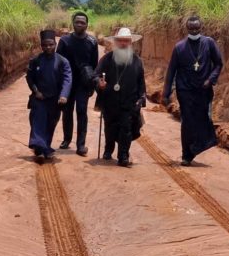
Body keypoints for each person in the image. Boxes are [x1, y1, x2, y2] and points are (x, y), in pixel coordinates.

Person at [162, 16, 223, 166]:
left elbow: (218, 64)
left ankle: (197, 146)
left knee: (203, 119)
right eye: (191, 28)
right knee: (187, 122)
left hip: (203, 90)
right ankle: (186, 155)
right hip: (185, 90)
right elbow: (171, 71)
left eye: (197, 28)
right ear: (187, 29)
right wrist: (166, 93)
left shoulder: (209, 43)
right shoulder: (179, 47)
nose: (194, 31)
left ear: (201, 28)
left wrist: (210, 80)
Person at [95, 28, 146, 167]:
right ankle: (108, 149)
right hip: (110, 101)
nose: (123, 43)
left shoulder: (137, 61)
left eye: (126, 41)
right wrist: (99, 83)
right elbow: (96, 75)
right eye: (120, 41)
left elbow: (141, 82)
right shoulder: (107, 59)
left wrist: (141, 98)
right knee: (110, 128)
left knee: (126, 129)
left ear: (130, 42)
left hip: (129, 102)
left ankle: (123, 156)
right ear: (116, 42)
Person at [56, 11, 99, 156]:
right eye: (77, 22)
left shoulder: (92, 42)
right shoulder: (64, 41)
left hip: (83, 83)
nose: (80, 24)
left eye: (83, 22)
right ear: (73, 24)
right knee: (67, 111)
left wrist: (92, 85)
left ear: (87, 25)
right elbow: (58, 63)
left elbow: (94, 65)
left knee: (81, 112)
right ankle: (67, 139)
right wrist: (60, 85)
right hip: (68, 82)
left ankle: (81, 145)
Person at [26, 30, 72, 162]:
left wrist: (63, 95)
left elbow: (67, 79)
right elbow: (29, 78)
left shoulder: (63, 62)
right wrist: (36, 91)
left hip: (55, 100)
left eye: (51, 44)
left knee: (51, 124)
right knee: (38, 122)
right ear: (41, 46)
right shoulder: (35, 61)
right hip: (39, 98)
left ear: (55, 44)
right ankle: (41, 150)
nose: (48, 47)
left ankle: (44, 147)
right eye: (45, 45)